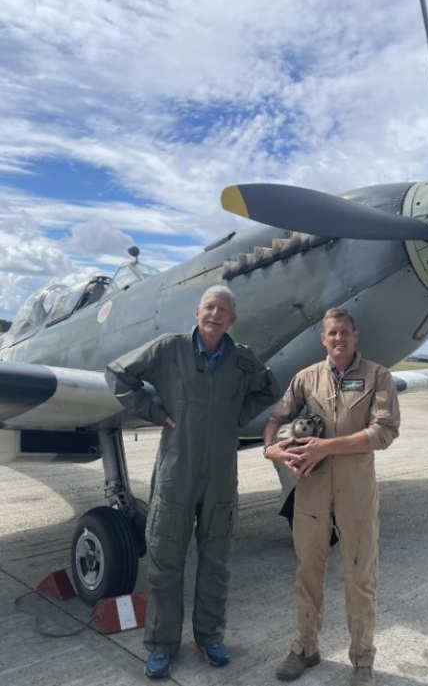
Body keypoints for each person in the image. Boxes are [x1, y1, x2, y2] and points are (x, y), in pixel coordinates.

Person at [105, 285, 279, 679]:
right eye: (209, 307)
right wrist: (153, 410)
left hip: (220, 476)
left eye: (223, 309)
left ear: (232, 319)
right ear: (198, 312)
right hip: (176, 472)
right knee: (165, 560)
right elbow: (117, 373)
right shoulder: (170, 349)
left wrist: (237, 415)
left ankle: (209, 636)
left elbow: (269, 389)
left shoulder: (242, 359)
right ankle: (161, 644)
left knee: (216, 560)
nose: (215, 314)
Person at [263, 307, 400, 686]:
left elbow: (384, 431)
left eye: (344, 332)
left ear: (355, 336)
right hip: (311, 493)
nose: (338, 338)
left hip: (357, 494)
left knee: (360, 578)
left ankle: (362, 661)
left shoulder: (377, 376)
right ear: (323, 340)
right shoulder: (305, 378)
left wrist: (326, 446)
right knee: (307, 572)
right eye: (332, 333)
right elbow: (275, 419)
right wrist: (272, 449)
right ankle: (306, 647)